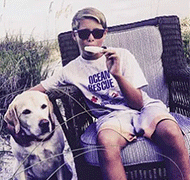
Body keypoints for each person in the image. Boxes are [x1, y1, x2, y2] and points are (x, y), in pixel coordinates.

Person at [30, 7, 190, 179]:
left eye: (97, 33)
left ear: (104, 34)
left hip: (144, 108)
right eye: (84, 34)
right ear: (74, 35)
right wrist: (13, 108)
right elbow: (37, 91)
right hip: (111, 116)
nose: (90, 38)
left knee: (171, 132)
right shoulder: (69, 70)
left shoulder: (122, 55)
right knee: (106, 142)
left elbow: (138, 103)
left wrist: (117, 74)